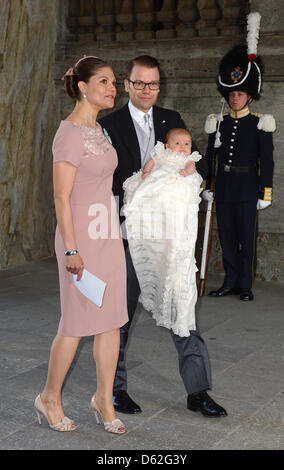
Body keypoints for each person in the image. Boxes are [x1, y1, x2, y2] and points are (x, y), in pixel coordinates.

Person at [100, 55, 227, 418]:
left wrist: (191, 167)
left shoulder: (171, 120)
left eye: (153, 84)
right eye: (139, 83)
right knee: (118, 318)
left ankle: (198, 391)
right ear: (126, 84)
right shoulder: (109, 125)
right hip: (128, 235)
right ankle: (115, 389)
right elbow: (103, 181)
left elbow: (197, 160)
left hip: (168, 236)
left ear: (160, 85)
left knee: (182, 308)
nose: (146, 90)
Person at [34, 56, 128, 434]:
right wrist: (71, 249)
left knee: (111, 323)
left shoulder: (100, 130)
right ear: (83, 86)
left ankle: (103, 398)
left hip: (107, 235)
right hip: (80, 241)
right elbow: (61, 197)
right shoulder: (69, 133)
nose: (112, 88)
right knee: (74, 323)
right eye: (104, 81)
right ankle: (49, 397)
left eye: (113, 82)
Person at [204, 27, 275, 301]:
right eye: (231, 94)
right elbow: (211, 157)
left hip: (247, 188)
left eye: (240, 94)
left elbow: (266, 161)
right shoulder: (218, 122)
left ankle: (245, 284)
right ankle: (230, 281)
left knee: (246, 237)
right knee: (228, 238)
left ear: (249, 96)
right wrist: (206, 186)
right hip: (223, 186)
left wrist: (265, 192)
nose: (235, 98)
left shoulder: (260, 123)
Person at [122, 128, 203, 338]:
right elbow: (150, 164)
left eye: (187, 144)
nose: (183, 148)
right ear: (167, 145)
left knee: (171, 196)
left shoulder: (189, 158)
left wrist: (185, 173)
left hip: (175, 188)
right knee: (145, 192)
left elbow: (190, 169)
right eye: (178, 143)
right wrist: (147, 172)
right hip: (157, 182)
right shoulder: (161, 154)